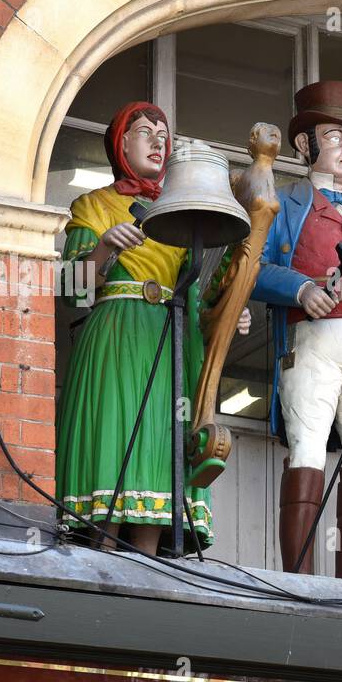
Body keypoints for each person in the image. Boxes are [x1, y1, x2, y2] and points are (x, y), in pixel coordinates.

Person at [56, 101, 235, 554]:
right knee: (114, 434)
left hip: (169, 336)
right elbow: (74, 293)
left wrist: (223, 316)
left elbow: (193, 295)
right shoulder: (93, 205)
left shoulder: (178, 212)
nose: (158, 141)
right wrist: (101, 251)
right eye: (144, 132)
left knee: (161, 437)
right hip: (116, 332)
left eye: (163, 134)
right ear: (120, 143)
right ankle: (105, 548)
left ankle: (149, 555)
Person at [251, 81, 342, 578]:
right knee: (308, 445)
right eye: (335, 136)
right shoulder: (285, 204)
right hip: (312, 344)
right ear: (304, 146)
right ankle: (299, 576)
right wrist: (300, 289)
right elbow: (252, 266)